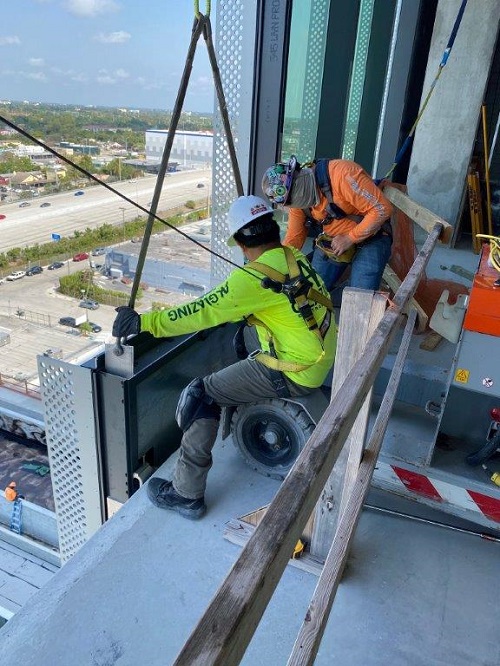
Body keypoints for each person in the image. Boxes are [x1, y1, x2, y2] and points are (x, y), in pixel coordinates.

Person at [112, 195, 337, 520]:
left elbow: (200, 313)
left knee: (202, 394)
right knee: (244, 338)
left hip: (297, 370)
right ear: (273, 230)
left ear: (242, 243)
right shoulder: (292, 257)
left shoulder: (250, 280)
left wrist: (145, 323)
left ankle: (186, 494)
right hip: (320, 356)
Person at [262, 156, 393, 293]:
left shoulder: (343, 175)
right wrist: (275, 267)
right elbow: (294, 239)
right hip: (335, 243)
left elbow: (382, 209)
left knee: (359, 299)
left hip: (372, 238)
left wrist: (350, 238)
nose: (291, 205)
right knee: (313, 292)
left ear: (297, 175)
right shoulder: (297, 204)